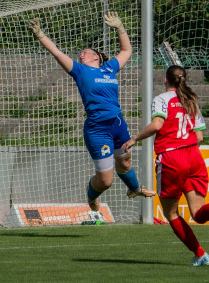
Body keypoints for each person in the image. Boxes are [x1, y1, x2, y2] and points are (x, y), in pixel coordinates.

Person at [28, 12, 156, 213]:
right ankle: (91, 197)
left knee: (124, 161)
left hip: (118, 123)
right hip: (97, 128)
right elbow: (57, 53)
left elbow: (127, 50)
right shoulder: (79, 71)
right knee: (106, 181)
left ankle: (134, 189)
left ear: (96, 56)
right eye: (80, 53)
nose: (81, 54)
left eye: (85, 52)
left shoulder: (109, 69)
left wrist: (120, 28)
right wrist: (40, 34)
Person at [121, 65, 209, 267]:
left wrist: (134, 139)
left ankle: (201, 254)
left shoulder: (161, 100)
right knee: (198, 214)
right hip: (194, 156)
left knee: (171, 213)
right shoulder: (191, 101)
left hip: (172, 159)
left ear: (166, 80)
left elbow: (157, 125)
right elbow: (199, 136)